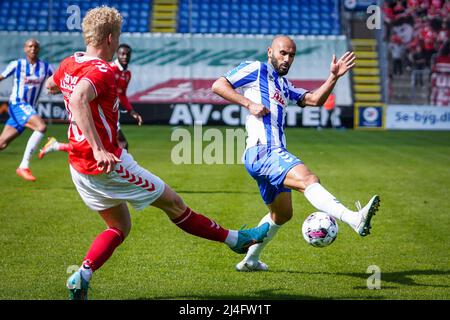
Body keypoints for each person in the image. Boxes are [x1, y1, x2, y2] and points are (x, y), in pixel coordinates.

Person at [45, 6, 269, 300]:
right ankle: (235, 240)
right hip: (106, 164)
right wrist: (99, 148)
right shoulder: (102, 70)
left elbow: (52, 86)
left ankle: (82, 275)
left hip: (79, 166)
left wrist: (64, 87)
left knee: (119, 226)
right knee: (174, 204)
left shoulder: (70, 62)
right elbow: (77, 99)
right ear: (111, 38)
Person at [212, 35, 380, 272]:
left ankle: (250, 260)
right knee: (309, 180)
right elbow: (218, 85)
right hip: (264, 151)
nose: (287, 58)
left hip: (267, 154)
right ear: (270, 52)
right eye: (283, 53)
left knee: (281, 215)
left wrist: (333, 76)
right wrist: (248, 104)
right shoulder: (256, 69)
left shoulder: (283, 84)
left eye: (291, 55)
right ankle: (354, 219)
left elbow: (313, 100)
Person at [38, 44, 143, 158]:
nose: (125, 57)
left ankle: (55, 145)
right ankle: (118, 172)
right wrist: (62, 88)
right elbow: (84, 87)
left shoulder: (127, 74)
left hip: (112, 113)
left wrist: (131, 111)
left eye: (127, 54)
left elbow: (121, 94)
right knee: (120, 144)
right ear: (117, 54)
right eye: (122, 54)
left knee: (91, 147)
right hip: (101, 113)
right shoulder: (109, 69)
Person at [0, 39, 54, 181]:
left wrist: (55, 89)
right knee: (41, 126)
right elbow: (1, 76)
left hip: (28, 109)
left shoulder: (45, 67)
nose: (33, 49)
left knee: (2, 143)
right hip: (17, 105)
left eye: (36, 46)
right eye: (30, 46)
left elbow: (56, 82)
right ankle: (24, 166)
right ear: (25, 49)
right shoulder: (17, 64)